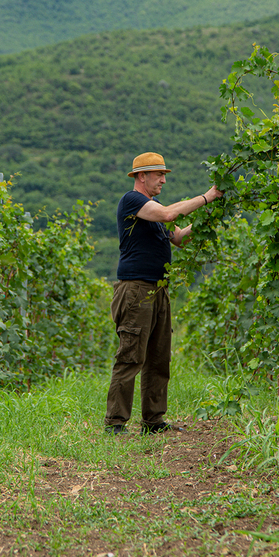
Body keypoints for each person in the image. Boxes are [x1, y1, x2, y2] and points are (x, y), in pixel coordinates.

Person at [105, 152, 223, 435]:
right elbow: (171, 213)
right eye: (159, 174)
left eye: (164, 174)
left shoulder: (154, 209)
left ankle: (153, 421)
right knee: (131, 356)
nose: (164, 179)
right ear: (141, 176)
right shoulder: (132, 201)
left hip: (158, 289)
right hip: (135, 290)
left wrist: (211, 214)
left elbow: (179, 237)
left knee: (159, 357)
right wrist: (207, 196)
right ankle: (116, 423)